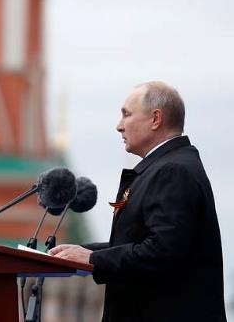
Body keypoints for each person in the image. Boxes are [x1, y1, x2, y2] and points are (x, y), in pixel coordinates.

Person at [49, 81, 226, 321]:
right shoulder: (164, 167)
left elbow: (162, 251)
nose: (119, 126)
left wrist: (92, 259)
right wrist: (82, 252)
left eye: (126, 114)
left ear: (155, 119)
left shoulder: (173, 171)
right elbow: (139, 243)